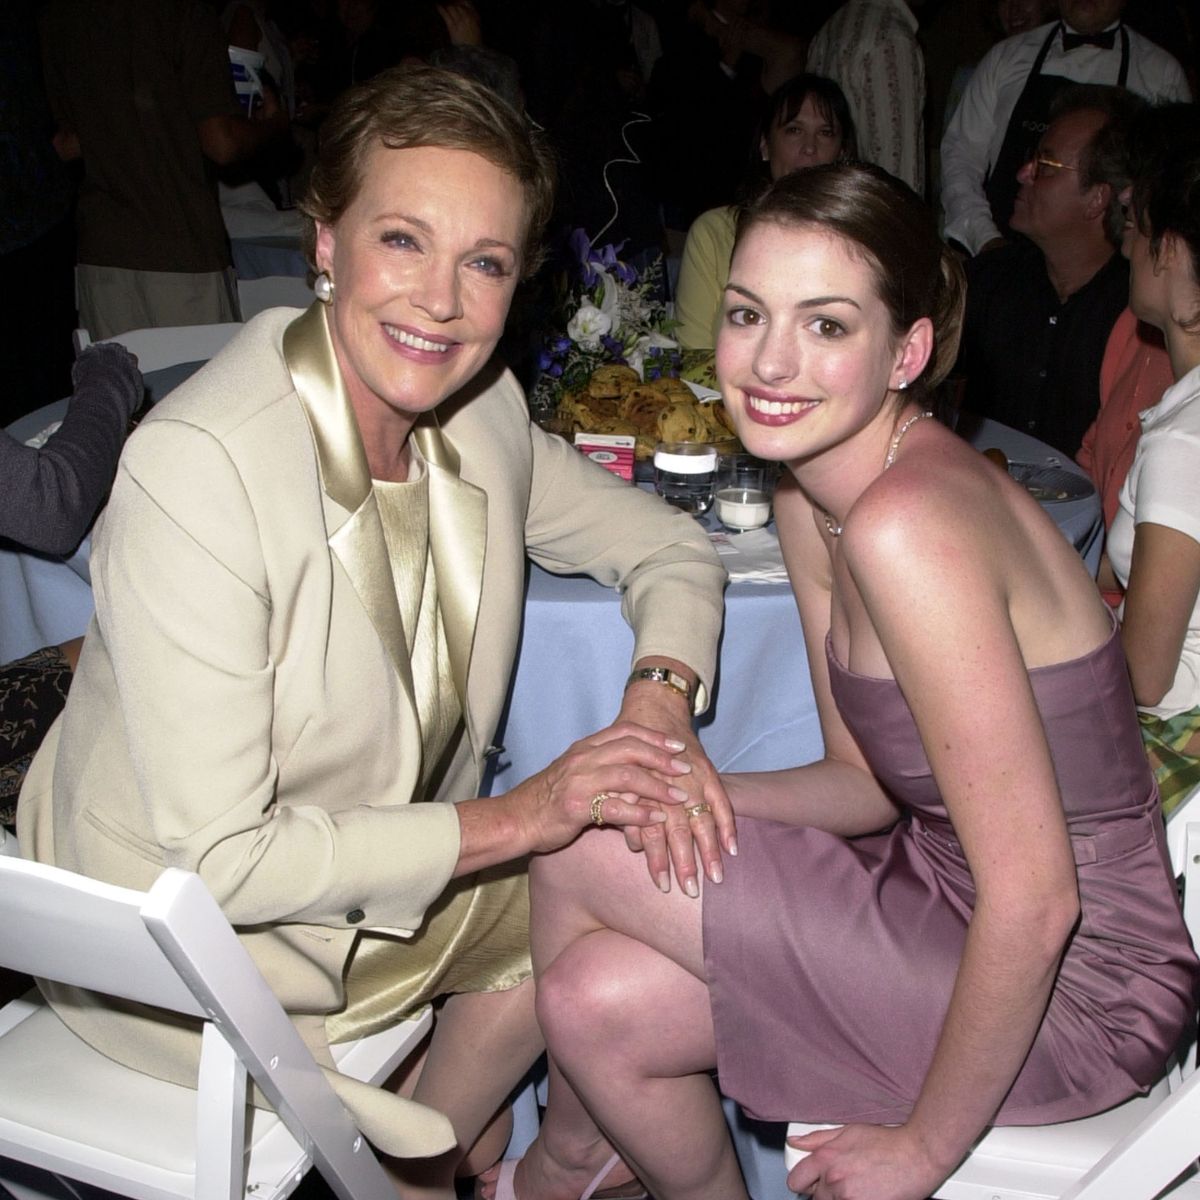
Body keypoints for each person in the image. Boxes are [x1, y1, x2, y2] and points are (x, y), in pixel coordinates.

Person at [17, 65, 729, 1199]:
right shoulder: (199, 470)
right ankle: (442, 1163)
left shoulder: (480, 413)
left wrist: (657, 701)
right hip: (198, 956)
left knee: (613, 878)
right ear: (325, 242)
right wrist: (524, 815)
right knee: (595, 887)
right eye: (403, 240)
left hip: (363, 874)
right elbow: (222, 862)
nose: (441, 301)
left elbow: (673, 549)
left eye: (484, 262)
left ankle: (449, 1153)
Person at [504, 163, 1198, 1200]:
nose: (770, 361)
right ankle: (596, 1161)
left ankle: (562, 1165)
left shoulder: (908, 525)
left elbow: (1039, 898)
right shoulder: (811, 502)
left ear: (906, 352)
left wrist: (923, 1148)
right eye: (748, 314)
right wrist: (691, 791)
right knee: (595, 999)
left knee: (583, 839)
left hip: (1078, 981)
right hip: (942, 892)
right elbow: (864, 784)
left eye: (825, 325)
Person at [39, 0, 289, 339]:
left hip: (101, 251)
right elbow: (221, 143)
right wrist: (275, 125)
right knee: (207, 374)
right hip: (180, 248)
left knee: (118, 375)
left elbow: (66, 143)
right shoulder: (183, 10)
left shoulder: (60, 13)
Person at [956, 84, 1141, 457]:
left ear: (1097, 198)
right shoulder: (984, 283)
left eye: (1046, 165)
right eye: (1032, 160)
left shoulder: (1138, 313)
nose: (1023, 173)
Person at [1104, 106, 1200, 817]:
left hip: (1176, 747)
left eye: (1133, 225)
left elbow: (1142, 676)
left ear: (1168, 249)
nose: (1125, 246)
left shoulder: (1186, 438)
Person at [940, 0, 1189, 258]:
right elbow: (960, 157)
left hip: (1112, 269)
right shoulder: (1006, 57)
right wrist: (984, 238)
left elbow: (1170, 187)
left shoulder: (1160, 73)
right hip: (998, 249)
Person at [674, 74, 857, 350]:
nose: (809, 148)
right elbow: (693, 354)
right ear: (765, 145)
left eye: (825, 133)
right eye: (794, 130)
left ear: (842, 153)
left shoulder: (863, 241)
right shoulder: (715, 233)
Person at [806, 0, 924, 194]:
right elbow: (899, 175)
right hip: (867, 206)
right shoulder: (890, 39)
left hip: (831, 199)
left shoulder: (831, 27)